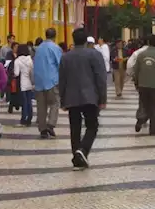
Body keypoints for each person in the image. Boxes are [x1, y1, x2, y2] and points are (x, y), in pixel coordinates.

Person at [60, 27, 108, 169]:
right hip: (90, 96)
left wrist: (62, 99)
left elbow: (62, 80)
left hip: (71, 97)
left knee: (74, 128)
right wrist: (103, 98)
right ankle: (83, 149)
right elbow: (101, 78)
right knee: (92, 126)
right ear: (86, 40)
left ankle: (76, 157)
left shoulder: (66, 56)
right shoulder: (94, 55)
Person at [129, 34, 155, 135]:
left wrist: (136, 82)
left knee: (143, 104)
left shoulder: (141, 55)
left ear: (148, 42)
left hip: (143, 85)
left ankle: (141, 118)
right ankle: (153, 129)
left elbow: (136, 70)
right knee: (154, 108)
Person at [33, 28, 63, 139]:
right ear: (55, 36)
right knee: (55, 103)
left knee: (41, 106)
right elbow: (60, 64)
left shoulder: (39, 48)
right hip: (52, 80)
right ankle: (50, 124)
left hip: (39, 81)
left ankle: (42, 129)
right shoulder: (55, 48)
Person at [13, 44, 35, 126]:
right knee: (29, 101)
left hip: (22, 83)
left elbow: (16, 73)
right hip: (30, 83)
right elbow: (32, 70)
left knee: (24, 102)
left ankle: (23, 119)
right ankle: (29, 118)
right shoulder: (30, 59)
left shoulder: (17, 61)